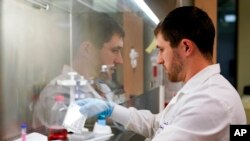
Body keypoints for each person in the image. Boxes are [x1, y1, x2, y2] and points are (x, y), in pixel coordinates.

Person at [76, 6, 247, 141]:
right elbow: (157, 124)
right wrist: (111, 109)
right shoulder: (199, 90)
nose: (158, 60)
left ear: (186, 47)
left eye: (161, 50)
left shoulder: (210, 101)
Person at [32, 12, 125, 128]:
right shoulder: (56, 93)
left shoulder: (102, 87)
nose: (120, 60)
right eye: (115, 50)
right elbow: (64, 133)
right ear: (87, 50)